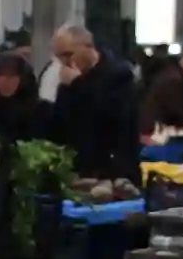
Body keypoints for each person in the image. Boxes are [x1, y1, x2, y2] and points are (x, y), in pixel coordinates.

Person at [49, 23, 140, 181]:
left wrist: (78, 85)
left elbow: (114, 118)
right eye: (59, 57)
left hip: (113, 169)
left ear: (88, 47)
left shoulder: (119, 75)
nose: (63, 62)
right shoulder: (67, 82)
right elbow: (61, 124)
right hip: (78, 169)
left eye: (68, 54)